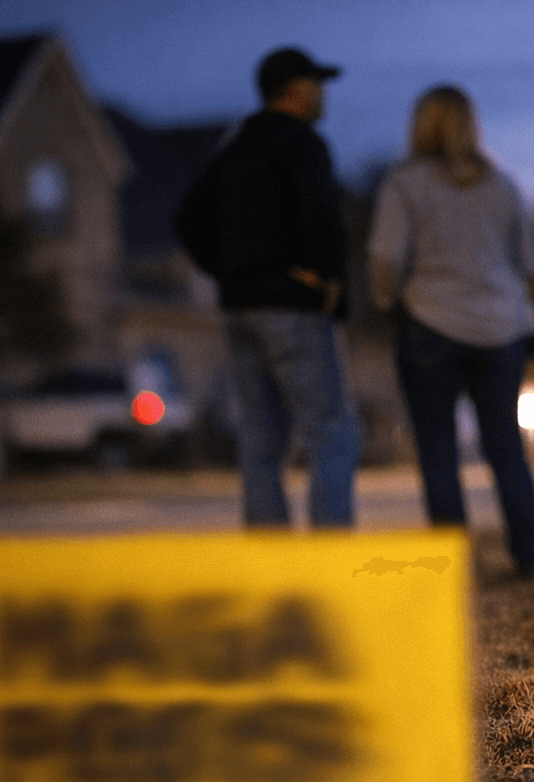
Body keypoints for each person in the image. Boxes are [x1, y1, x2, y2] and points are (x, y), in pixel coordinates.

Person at [367, 84, 534, 576]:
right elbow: (528, 263)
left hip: (430, 323)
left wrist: (390, 300)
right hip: (501, 328)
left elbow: (384, 258)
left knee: (438, 450)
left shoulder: (404, 184)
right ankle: (532, 557)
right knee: (507, 449)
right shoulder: (503, 186)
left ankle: (454, 567)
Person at [175, 47, 360, 528]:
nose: (324, 95)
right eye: (318, 85)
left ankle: (270, 561)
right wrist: (324, 275)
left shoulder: (232, 150)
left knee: (260, 442)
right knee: (331, 434)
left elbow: (187, 219)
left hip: (239, 309)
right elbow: (322, 216)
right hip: (291, 308)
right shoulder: (301, 143)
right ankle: (331, 562)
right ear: (297, 92)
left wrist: (229, 272)